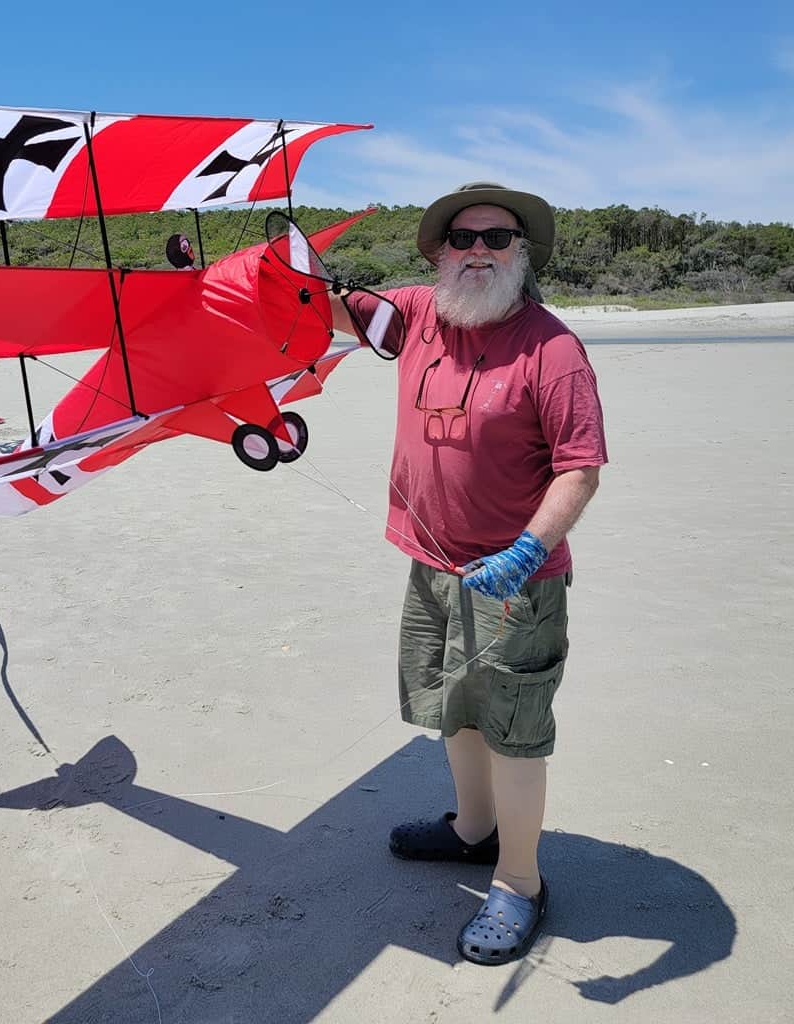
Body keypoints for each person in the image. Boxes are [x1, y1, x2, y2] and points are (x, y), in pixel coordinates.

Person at [330, 182, 608, 965]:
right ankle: (473, 831)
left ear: (522, 254)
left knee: (515, 732)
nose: (478, 250)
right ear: (439, 252)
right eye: (463, 238)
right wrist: (215, 269)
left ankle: (520, 883)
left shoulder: (551, 348)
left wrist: (525, 551)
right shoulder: (418, 314)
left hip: (516, 582)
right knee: (453, 707)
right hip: (431, 563)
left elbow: (580, 469)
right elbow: (316, 308)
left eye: (498, 238)